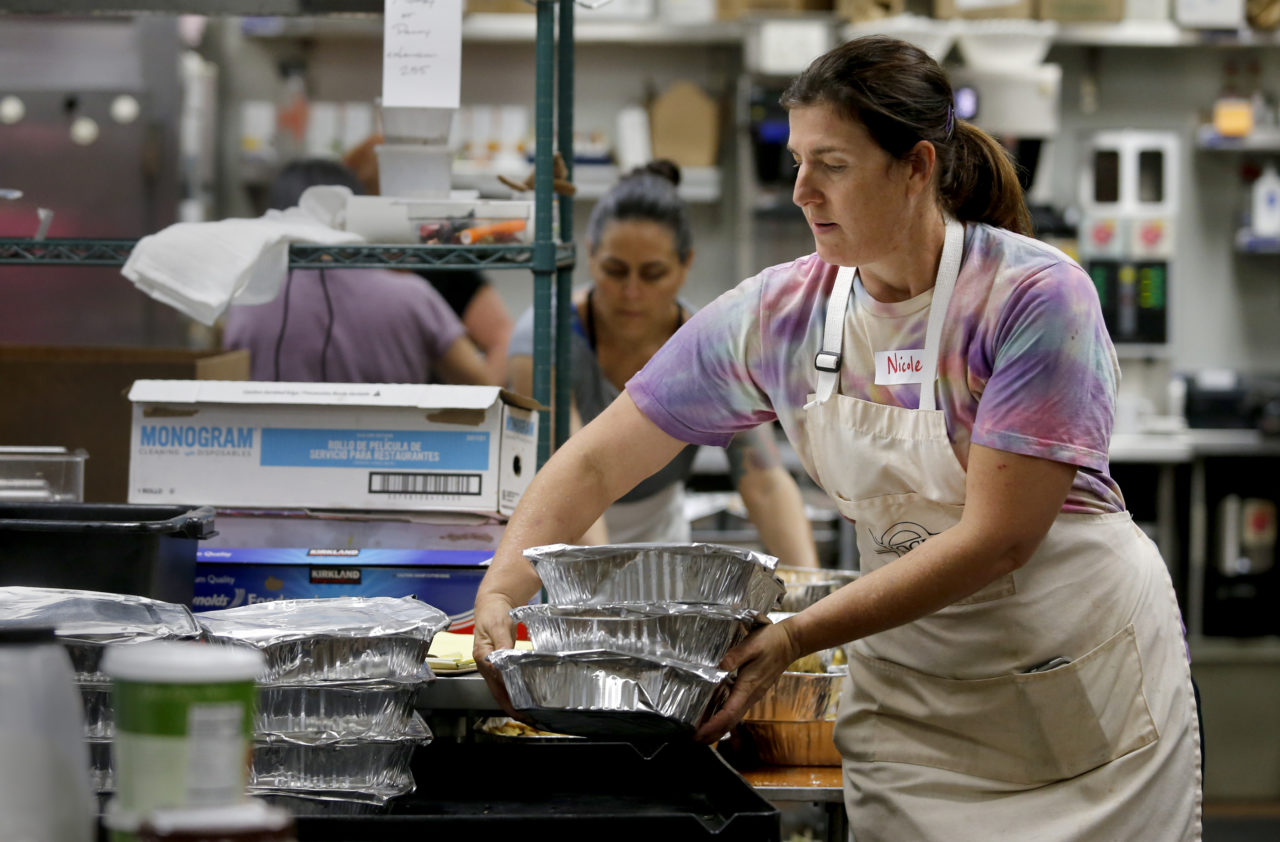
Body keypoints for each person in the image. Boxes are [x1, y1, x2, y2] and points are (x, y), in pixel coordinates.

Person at [474, 36, 1201, 841]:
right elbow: (600, 456)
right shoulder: (782, 314)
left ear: (917, 166)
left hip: (1073, 690)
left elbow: (999, 540)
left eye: (834, 165)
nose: (802, 191)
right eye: (797, 162)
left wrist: (791, 637)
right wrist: (505, 587)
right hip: (913, 705)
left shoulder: (1032, 298)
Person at [507, 159, 821, 554]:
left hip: (658, 541)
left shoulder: (711, 348)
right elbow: (577, 477)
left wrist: (811, 597)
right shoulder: (543, 338)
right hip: (549, 535)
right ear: (590, 255)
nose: (632, 292)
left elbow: (763, 482)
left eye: (652, 273)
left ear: (685, 264)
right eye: (615, 271)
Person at [222, 158, 494, 385]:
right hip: (396, 446)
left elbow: (228, 392)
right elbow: (481, 386)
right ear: (355, 213)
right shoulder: (412, 297)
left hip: (276, 449)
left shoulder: (249, 303)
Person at [344, 135, 515, 385]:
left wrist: (482, 406)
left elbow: (502, 336)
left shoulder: (441, 265)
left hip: (429, 413)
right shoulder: (349, 263)